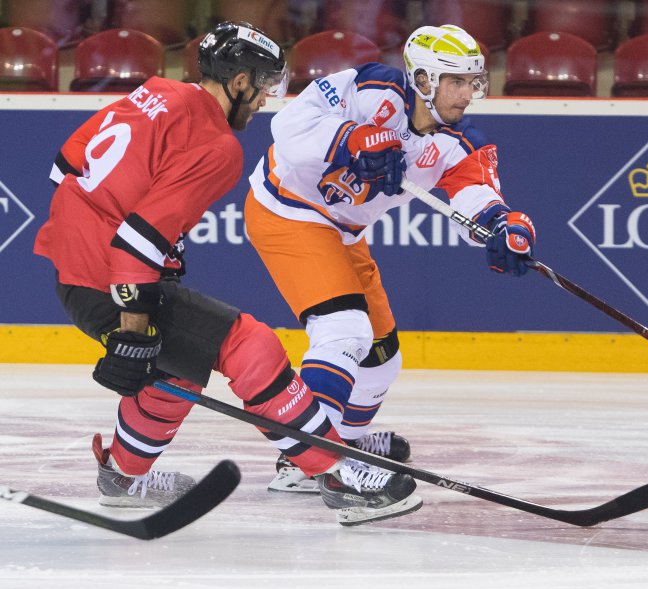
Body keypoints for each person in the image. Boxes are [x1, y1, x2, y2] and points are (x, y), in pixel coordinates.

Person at [33, 21, 421, 526]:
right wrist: (131, 330)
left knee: (178, 368)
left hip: (77, 268)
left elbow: (65, 166)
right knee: (250, 346)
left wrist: (93, 234)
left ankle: (123, 478)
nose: (264, 99)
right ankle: (337, 474)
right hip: (112, 276)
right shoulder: (217, 146)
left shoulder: (157, 92)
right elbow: (137, 241)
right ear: (238, 82)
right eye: (263, 86)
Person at [243, 24, 537, 492]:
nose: (467, 94)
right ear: (422, 80)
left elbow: (477, 197)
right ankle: (312, 462)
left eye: (472, 82)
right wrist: (352, 139)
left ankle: (344, 440)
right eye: (455, 81)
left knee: (381, 359)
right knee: (344, 331)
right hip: (288, 209)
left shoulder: (463, 142)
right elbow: (290, 124)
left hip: (344, 233)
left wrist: (504, 227)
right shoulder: (370, 87)